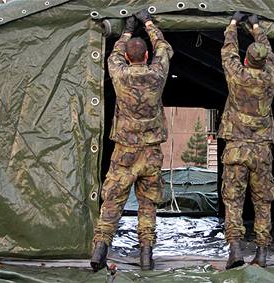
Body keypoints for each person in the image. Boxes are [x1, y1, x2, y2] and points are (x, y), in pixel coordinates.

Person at [90, 9, 173, 272]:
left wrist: (127, 30)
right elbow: (164, 48)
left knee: (112, 201)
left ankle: (100, 250)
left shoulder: (119, 73)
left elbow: (113, 56)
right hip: (150, 153)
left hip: (124, 151)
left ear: (128, 56)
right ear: (146, 56)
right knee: (148, 204)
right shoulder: (157, 74)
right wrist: (148, 23)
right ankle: (146, 255)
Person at [219, 11, 274, 269]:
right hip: (261, 151)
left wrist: (233, 24)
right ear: (264, 62)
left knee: (233, 201)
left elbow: (227, 52)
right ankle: (262, 253)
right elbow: (267, 51)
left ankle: (235, 250)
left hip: (236, 149)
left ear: (246, 59)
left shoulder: (237, 75)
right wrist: (256, 26)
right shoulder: (271, 76)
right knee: (262, 202)